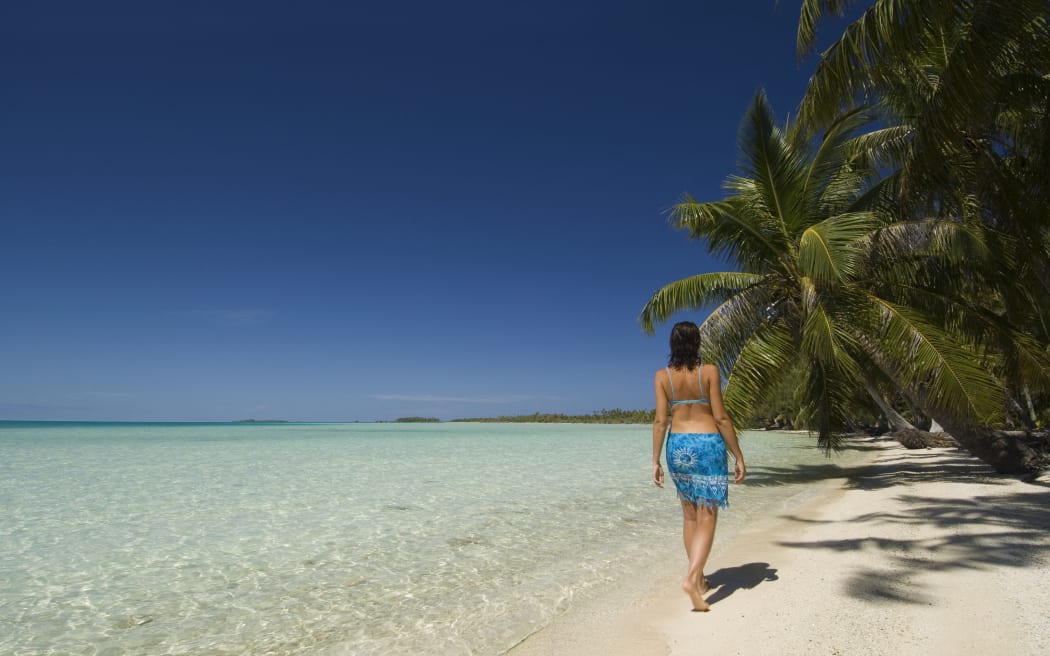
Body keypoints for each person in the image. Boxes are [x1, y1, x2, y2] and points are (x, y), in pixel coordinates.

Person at [652, 321, 745, 611]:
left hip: (677, 445)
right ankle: (693, 578)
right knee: (708, 515)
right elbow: (721, 418)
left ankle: (700, 576)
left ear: (672, 344)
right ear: (697, 343)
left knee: (690, 516)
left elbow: (660, 421)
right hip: (707, 444)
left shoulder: (662, 377)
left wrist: (654, 460)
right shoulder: (710, 372)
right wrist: (738, 455)